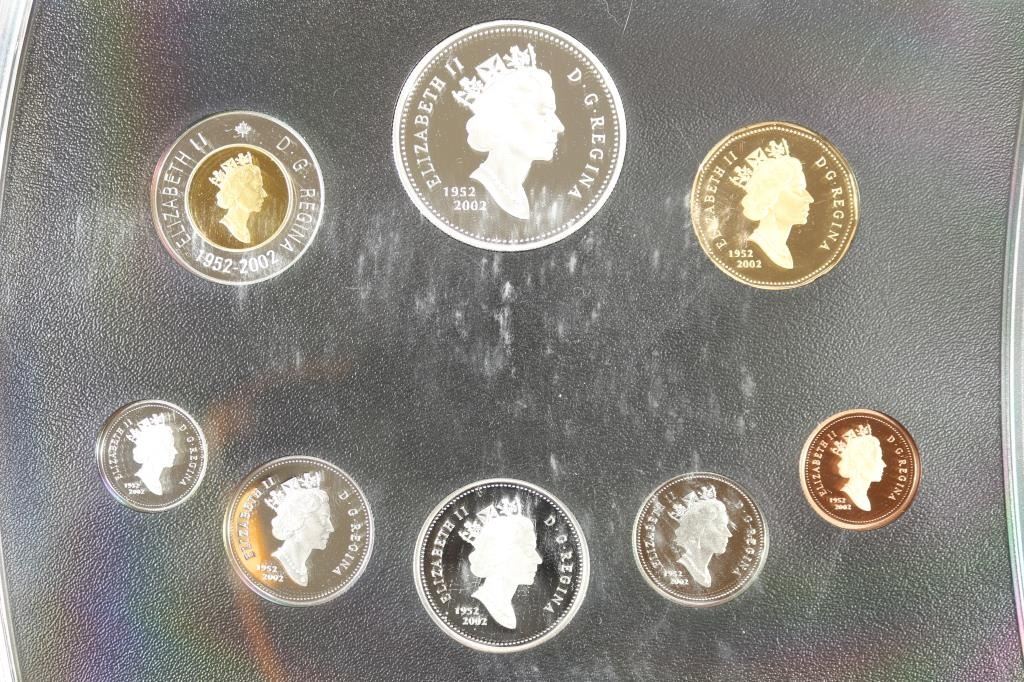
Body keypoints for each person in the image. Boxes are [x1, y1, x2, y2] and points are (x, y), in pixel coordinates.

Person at [455, 45, 564, 220]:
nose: (559, 126)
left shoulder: (519, 195)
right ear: (502, 120)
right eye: (544, 112)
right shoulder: (477, 189)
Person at [737, 142, 814, 269]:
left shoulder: (782, 251)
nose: (810, 199)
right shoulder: (755, 248)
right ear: (770, 197)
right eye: (797, 191)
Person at [464, 503, 542, 629]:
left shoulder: (505, 606)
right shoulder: (480, 605)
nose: (538, 560)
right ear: (501, 555)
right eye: (528, 550)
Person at [267, 474, 335, 587]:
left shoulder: (304, 569)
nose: (331, 528)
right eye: (323, 519)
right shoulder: (274, 564)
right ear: (297, 520)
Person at [672, 488, 732, 588]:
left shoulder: (704, 574)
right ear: (699, 528)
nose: (729, 534)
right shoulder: (682, 567)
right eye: (720, 527)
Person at [209, 151, 268, 244]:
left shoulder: (246, 231)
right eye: (257, 188)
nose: (264, 194)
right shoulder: (221, 230)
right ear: (236, 190)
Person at [834, 426, 886, 511]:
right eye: (878, 459)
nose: (884, 465)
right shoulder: (847, 496)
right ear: (860, 464)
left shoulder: (862, 497)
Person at [129, 414, 178, 496]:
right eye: (169, 446)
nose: (175, 451)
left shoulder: (157, 483)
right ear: (154, 450)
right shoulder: (138, 481)